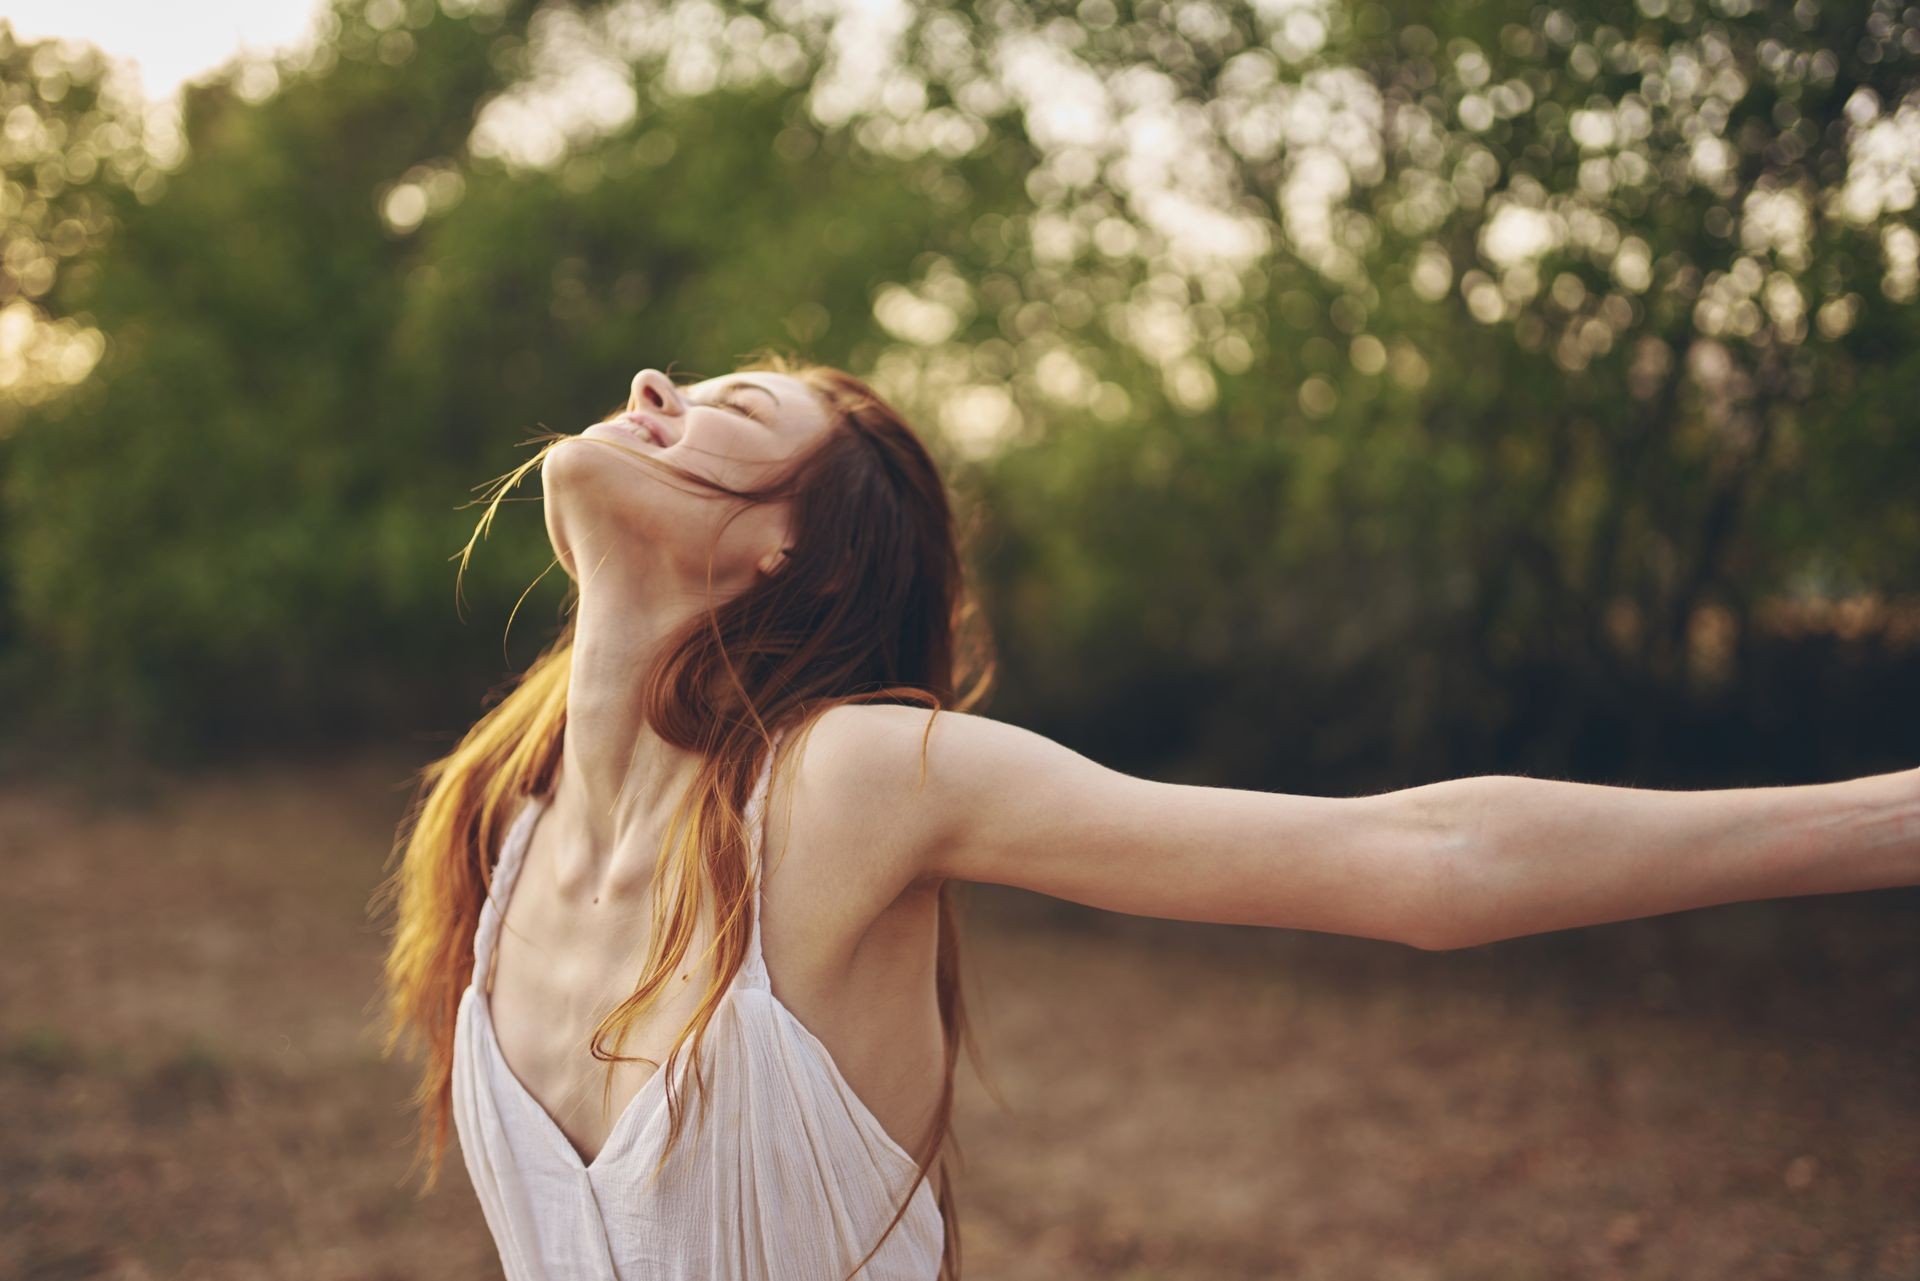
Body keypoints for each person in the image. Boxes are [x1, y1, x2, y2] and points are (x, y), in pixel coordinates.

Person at [372, 352, 1920, 1281]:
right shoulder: (497, 834)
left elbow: (1419, 856)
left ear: (792, 554)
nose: (653, 388)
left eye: (727, 408)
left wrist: (1887, 817)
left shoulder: (845, 782)